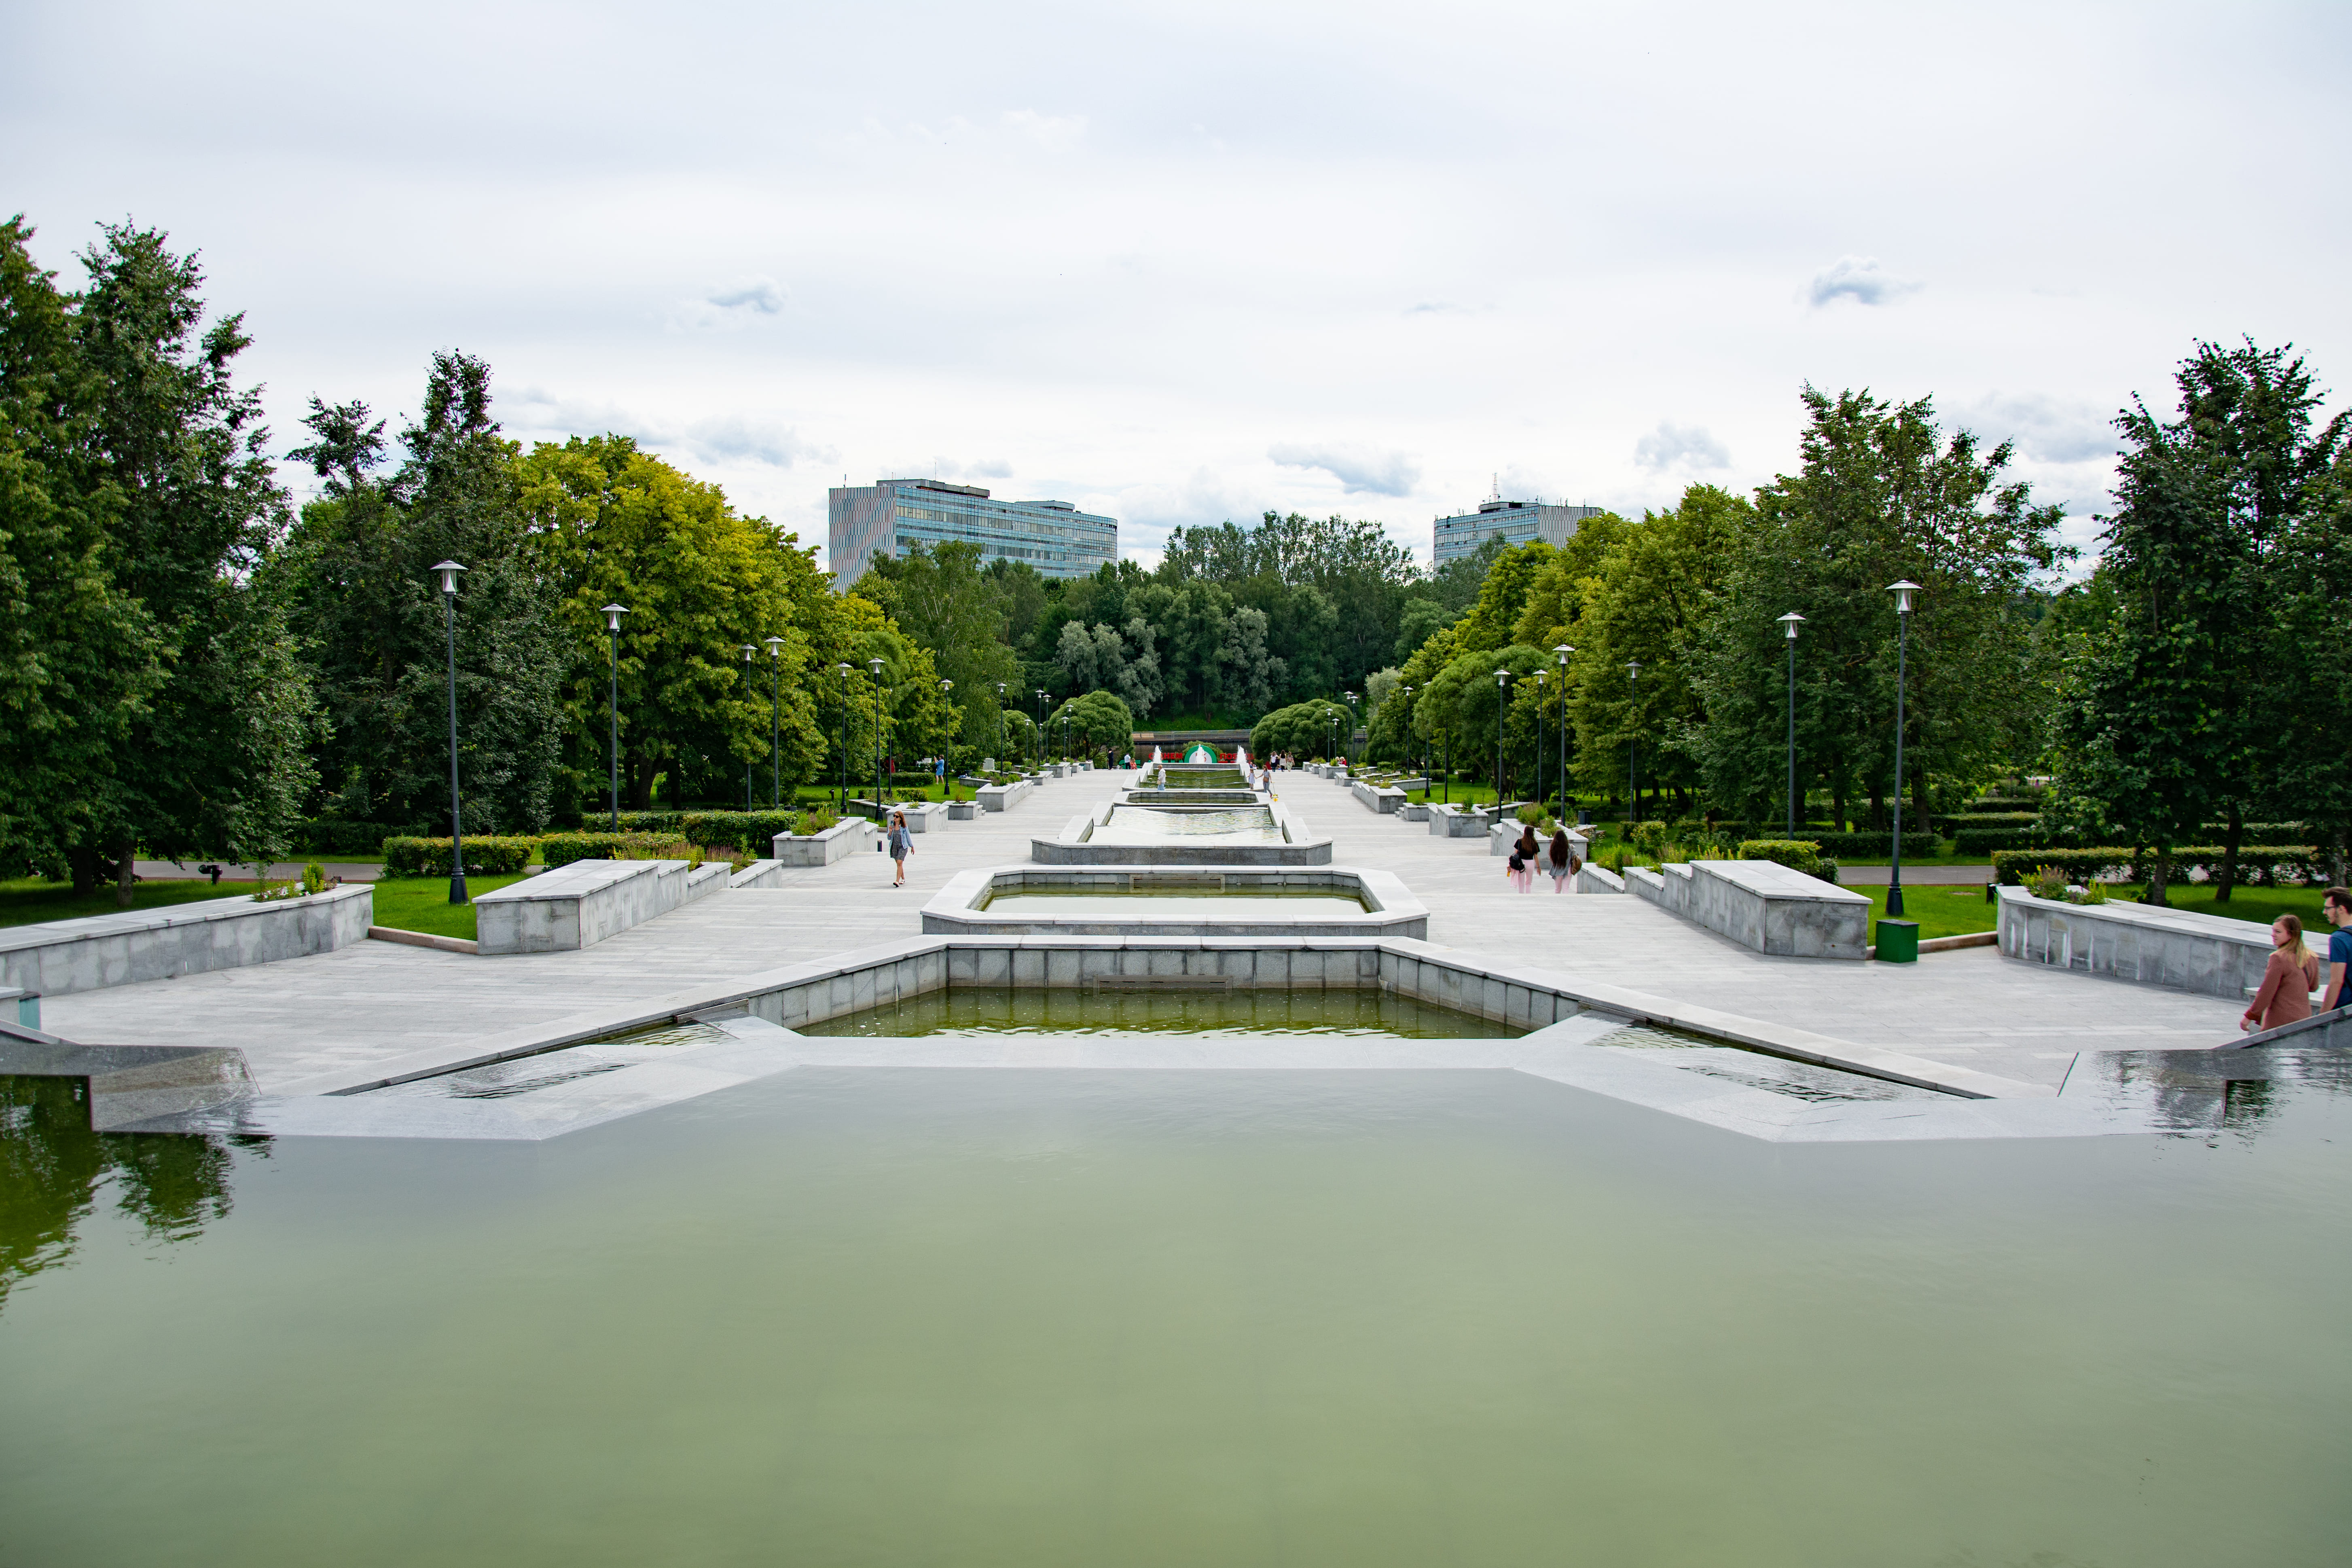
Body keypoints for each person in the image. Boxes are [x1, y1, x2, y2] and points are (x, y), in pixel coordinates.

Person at [2242, 913, 2321, 1034]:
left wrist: (2250, 1016)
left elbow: (2267, 991)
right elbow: (2314, 987)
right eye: (2273, 931)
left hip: (2280, 1020)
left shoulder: (2278, 958)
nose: (2273, 935)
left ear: (2291, 934)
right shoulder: (2312, 958)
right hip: (2303, 1018)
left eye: (2278, 932)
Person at [2322, 887, 2352, 1011]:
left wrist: (2322, 1015)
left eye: (2328, 908)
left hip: (2346, 1008)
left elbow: (2337, 982)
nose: (2324, 912)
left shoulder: (2339, 939)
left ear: (2341, 909)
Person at [887, 809, 913, 887]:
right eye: (894, 816)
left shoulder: (904, 827)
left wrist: (912, 847)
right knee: (899, 864)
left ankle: (897, 881)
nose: (895, 818)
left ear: (901, 818)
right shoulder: (892, 826)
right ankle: (903, 879)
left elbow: (908, 837)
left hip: (903, 847)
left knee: (899, 863)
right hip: (894, 847)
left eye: (897, 817)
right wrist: (891, 831)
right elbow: (889, 838)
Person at [1547, 827, 1578, 893]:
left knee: (1558, 889)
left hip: (1557, 870)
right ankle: (1566, 902)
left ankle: (1558, 902)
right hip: (1568, 870)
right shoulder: (1570, 847)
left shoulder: (1554, 847)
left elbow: (1552, 859)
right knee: (1566, 888)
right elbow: (1574, 858)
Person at [1510, 825, 1539, 893]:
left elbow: (1516, 853)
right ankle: (1528, 894)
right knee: (1529, 882)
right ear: (1532, 833)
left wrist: (1511, 864)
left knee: (1521, 882)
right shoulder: (1534, 843)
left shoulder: (1520, 841)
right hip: (1530, 863)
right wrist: (1539, 867)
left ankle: (1521, 895)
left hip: (1521, 863)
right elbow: (1536, 856)